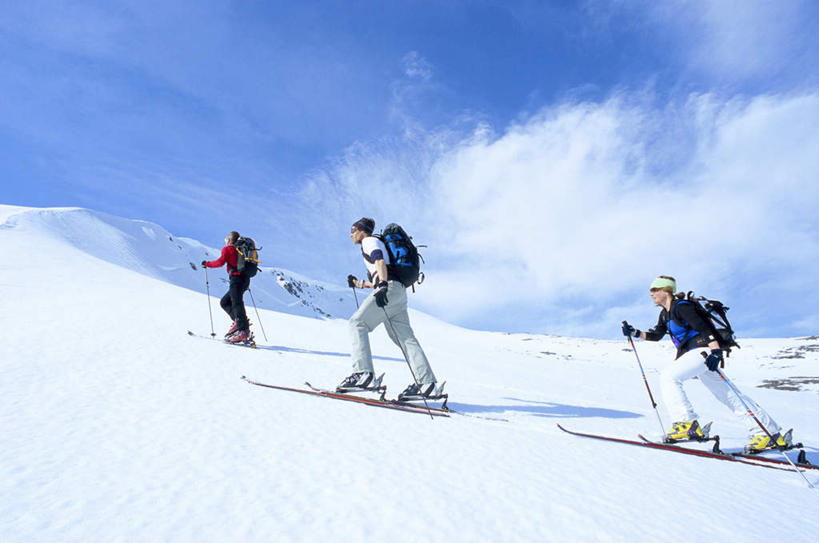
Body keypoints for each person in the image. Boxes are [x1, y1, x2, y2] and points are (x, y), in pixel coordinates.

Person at [622, 275, 790, 452]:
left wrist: (716, 352)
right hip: (698, 355)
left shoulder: (682, 307)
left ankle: (686, 423)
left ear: (666, 291)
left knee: (669, 377)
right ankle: (768, 433)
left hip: (703, 351)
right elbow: (656, 335)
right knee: (727, 395)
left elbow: (704, 328)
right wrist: (634, 332)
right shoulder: (665, 314)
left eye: (655, 290)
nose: (651, 294)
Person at [340, 217, 439, 400]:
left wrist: (383, 285)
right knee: (405, 339)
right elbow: (380, 272)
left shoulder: (369, 241)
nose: (351, 233)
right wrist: (359, 283)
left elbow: (379, 261)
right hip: (398, 292)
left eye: (353, 229)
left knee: (357, 323)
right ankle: (427, 384)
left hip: (390, 289)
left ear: (362, 230)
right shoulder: (376, 241)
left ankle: (363, 374)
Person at [202, 231, 253, 344]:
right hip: (245, 280)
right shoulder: (242, 250)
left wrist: (207, 264)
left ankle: (243, 331)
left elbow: (220, 262)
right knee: (225, 302)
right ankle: (239, 321)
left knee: (236, 303)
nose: (225, 241)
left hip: (236, 279)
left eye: (226, 239)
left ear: (229, 240)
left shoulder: (228, 249)